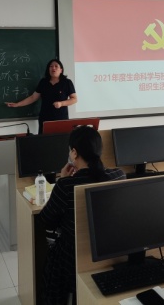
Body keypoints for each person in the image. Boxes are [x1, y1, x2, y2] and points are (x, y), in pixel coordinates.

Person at [39, 126, 125, 305]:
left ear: (74, 153)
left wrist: (62, 180)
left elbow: (45, 220)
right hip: (111, 252)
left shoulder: (66, 186)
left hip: (72, 257)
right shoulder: (119, 175)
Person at [5, 59, 77, 134]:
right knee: (44, 140)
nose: (53, 68)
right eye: (51, 66)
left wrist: (61, 103)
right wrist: (17, 104)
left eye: (56, 66)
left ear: (61, 70)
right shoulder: (43, 82)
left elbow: (74, 99)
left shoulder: (67, 82)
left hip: (61, 118)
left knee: (61, 139)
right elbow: (33, 97)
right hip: (45, 118)